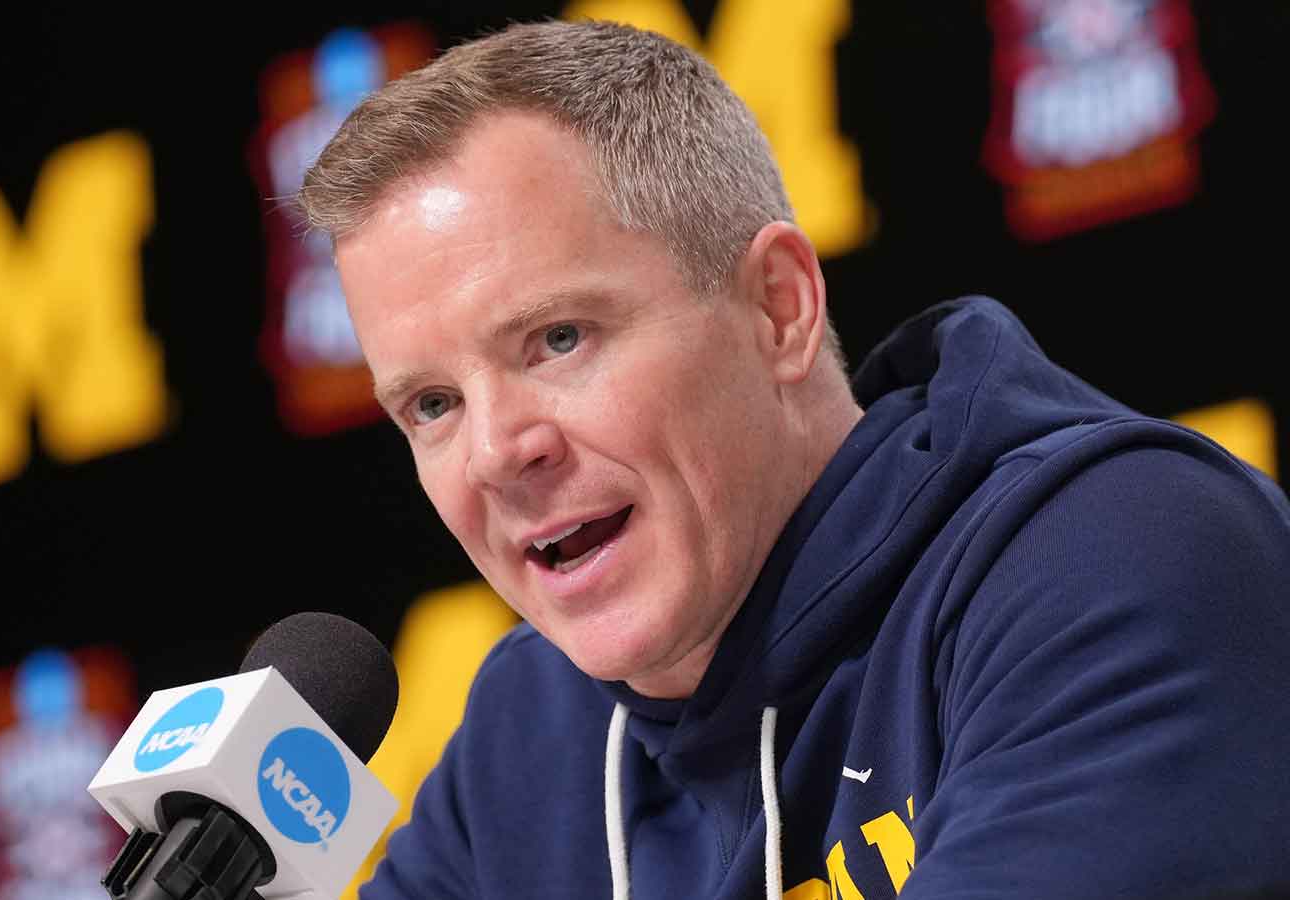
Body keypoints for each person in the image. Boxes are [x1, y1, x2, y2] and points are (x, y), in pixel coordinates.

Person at [296, 19, 1290, 900]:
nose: (496, 453)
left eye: (559, 339)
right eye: (431, 404)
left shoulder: (1116, 552)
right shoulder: (529, 738)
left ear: (778, 306)